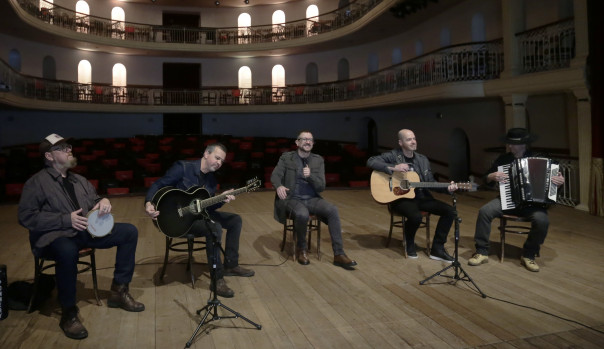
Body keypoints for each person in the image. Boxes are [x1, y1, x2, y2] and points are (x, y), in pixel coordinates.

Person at [18, 134, 144, 340]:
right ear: (49, 156)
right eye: (63, 148)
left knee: (129, 232)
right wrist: (65, 220)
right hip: (54, 238)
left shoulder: (79, 180)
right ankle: (68, 313)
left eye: (69, 147)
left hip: (84, 232)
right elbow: (26, 217)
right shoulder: (36, 183)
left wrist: (103, 201)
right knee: (67, 250)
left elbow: (94, 199)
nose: (69, 150)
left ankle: (119, 291)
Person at [144, 143, 254, 298]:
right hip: (178, 220)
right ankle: (217, 280)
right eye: (217, 158)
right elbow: (158, 184)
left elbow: (207, 208)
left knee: (235, 220)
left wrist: (223, 199)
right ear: (206, 154)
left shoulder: (211, 181)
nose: (219, 163)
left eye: (222, 161)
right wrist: (149, 202)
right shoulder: (182, 168)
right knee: (215, 227)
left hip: (198, 216)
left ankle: (231, 265)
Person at [467, 127, 565, 272]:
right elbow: (486, 178)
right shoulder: (503, 159)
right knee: (484, 211)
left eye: (513, 143)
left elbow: (554, 186)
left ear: (523, 144)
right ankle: (481, 251)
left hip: (532, 204)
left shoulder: (539, 159)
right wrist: (491, 176)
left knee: (542, 220)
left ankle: (529, 254)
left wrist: (558, 182)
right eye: (509, 143)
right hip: (507, 200)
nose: (510, 146)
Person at [367, 129, 458, 261]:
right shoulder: (393, 155)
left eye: (414, 138)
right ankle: (409, 242)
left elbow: (430, 183)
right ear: (401, 142)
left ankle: (437, 249)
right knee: (415, 216)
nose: (413, 141)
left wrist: (448, 188)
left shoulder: (422, 159)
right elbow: (371, 161)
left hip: (421, 197)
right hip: (400, 198)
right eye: (409, 139)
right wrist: (394, 168)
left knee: (450, 211)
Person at [271, 131, 357, 269]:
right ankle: (302, 249)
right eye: (304, 139)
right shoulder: (287, 158)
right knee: (302, 213)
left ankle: (339, 254)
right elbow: (275, 175)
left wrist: (310, 176)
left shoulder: (318, 160)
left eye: (310, 140)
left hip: (312, 199)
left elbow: (321, 187)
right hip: (292, 199)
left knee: (332, 210)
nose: (307, 142)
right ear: (297, 142)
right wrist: (279, 185)